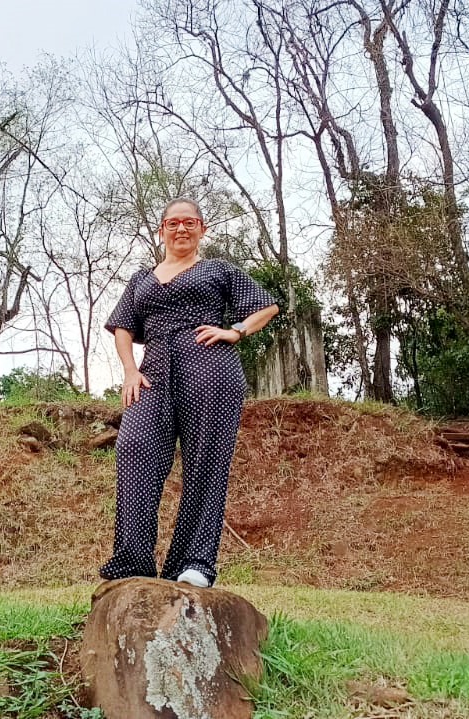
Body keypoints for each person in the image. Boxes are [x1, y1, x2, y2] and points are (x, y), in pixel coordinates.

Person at [99, 198, 281, 588]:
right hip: (152, 375)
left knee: (206, 463)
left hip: (211, 370)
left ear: (202, 228)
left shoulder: (217, 270)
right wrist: (130, 371)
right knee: (134, 449)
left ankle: (194, 563)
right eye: (173, 223)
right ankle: (133, 561)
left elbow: (267, 306)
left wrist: (235, 331)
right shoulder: (140, 279)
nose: (181, 229)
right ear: (162, 229)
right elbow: (122, 327)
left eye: (190, 223)